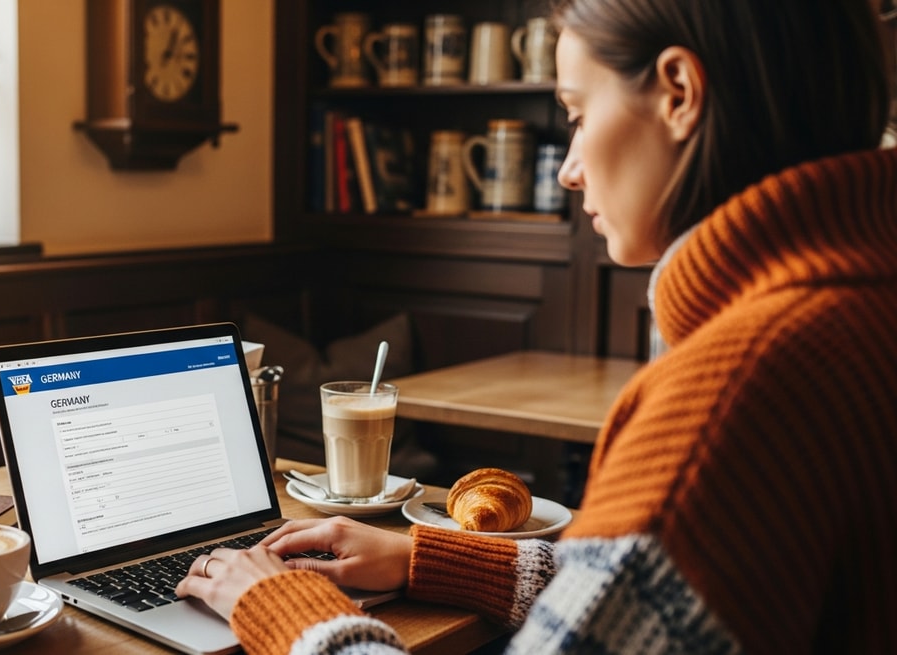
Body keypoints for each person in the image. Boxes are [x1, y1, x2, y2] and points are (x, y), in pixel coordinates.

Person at [175, 1, 897, 652]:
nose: (569, 170)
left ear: (678, 92)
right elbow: (664, 586)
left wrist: (278, 604)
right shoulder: (859, 311)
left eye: (579, 114)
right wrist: (427, 556)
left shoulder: (732, 391)